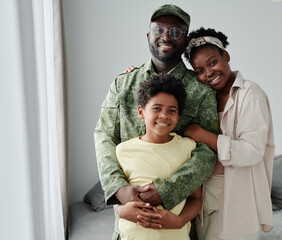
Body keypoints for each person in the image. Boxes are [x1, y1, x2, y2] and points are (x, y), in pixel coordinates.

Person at [94, 5, 219, 240]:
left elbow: (208, 151)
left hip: (176, 224)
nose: (166, 36)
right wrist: (120, 189)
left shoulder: (201, 91)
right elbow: (104, 135)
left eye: (175, 32)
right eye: (159, 29)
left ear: (185, 40)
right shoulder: (123, 84)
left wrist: (166, 190)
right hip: (129, 223)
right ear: (149, 35)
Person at [183, 28, 275, 240]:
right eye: (199, 71)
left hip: (237, 192)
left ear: (226, 56)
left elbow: (252, 151)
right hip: (206, 191)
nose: (208, 73)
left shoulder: (250, 93)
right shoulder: (205, 97)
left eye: (213, 62)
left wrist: (202, 135)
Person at [115, 74, 202, 240]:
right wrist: (120, 210)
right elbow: (118, 194)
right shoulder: (123, 150)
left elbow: (196, 198)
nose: (164, 115)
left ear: (178, 116)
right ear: (141, 112)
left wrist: (180, 221)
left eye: (172, 110)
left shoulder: (187, 147)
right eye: (157, 108)